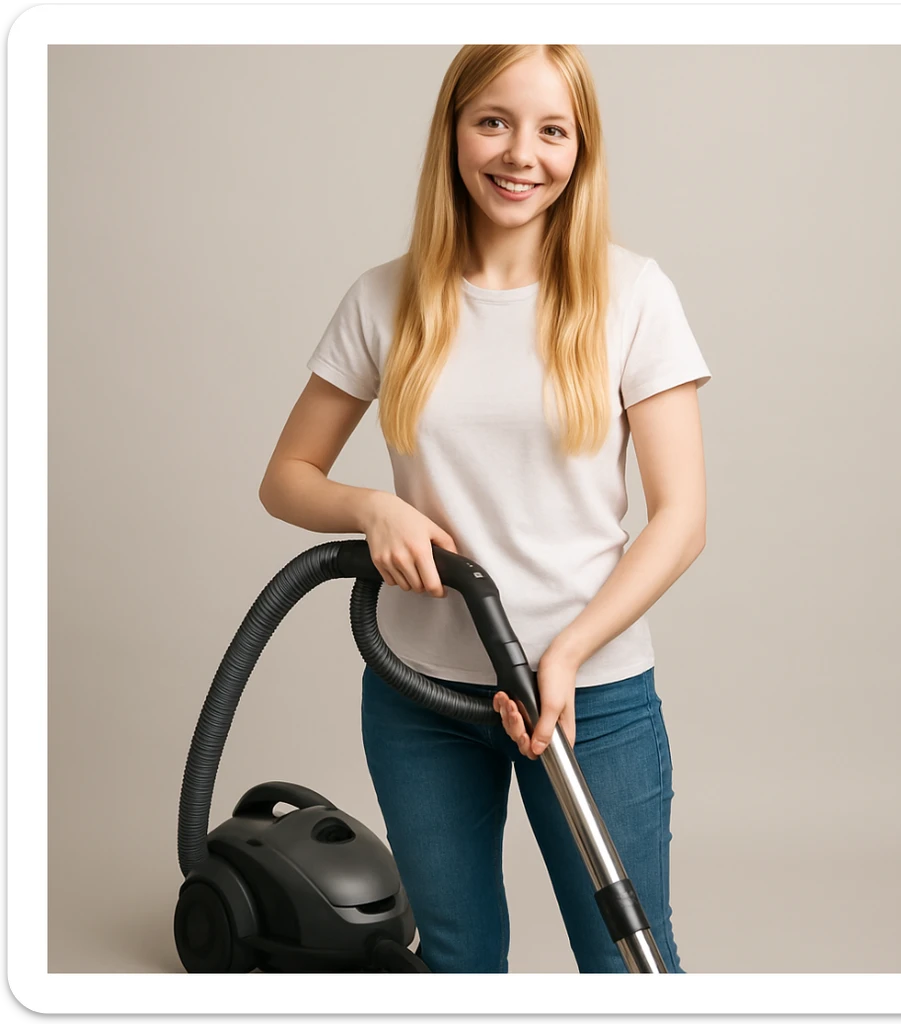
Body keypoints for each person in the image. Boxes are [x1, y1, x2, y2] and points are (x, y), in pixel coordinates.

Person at [258, 44, 712, 974]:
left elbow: (683, 518)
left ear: (580, 150)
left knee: (626, 956)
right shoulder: (385, 298)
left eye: (553, 130)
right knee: (457, 958)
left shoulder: (633, 296)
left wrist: (572, 650)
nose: (521, 154)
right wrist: (369, 508)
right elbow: (287, 475)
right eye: (494, 121)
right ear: (455, 130)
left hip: (590, 699)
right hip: (419, 696)